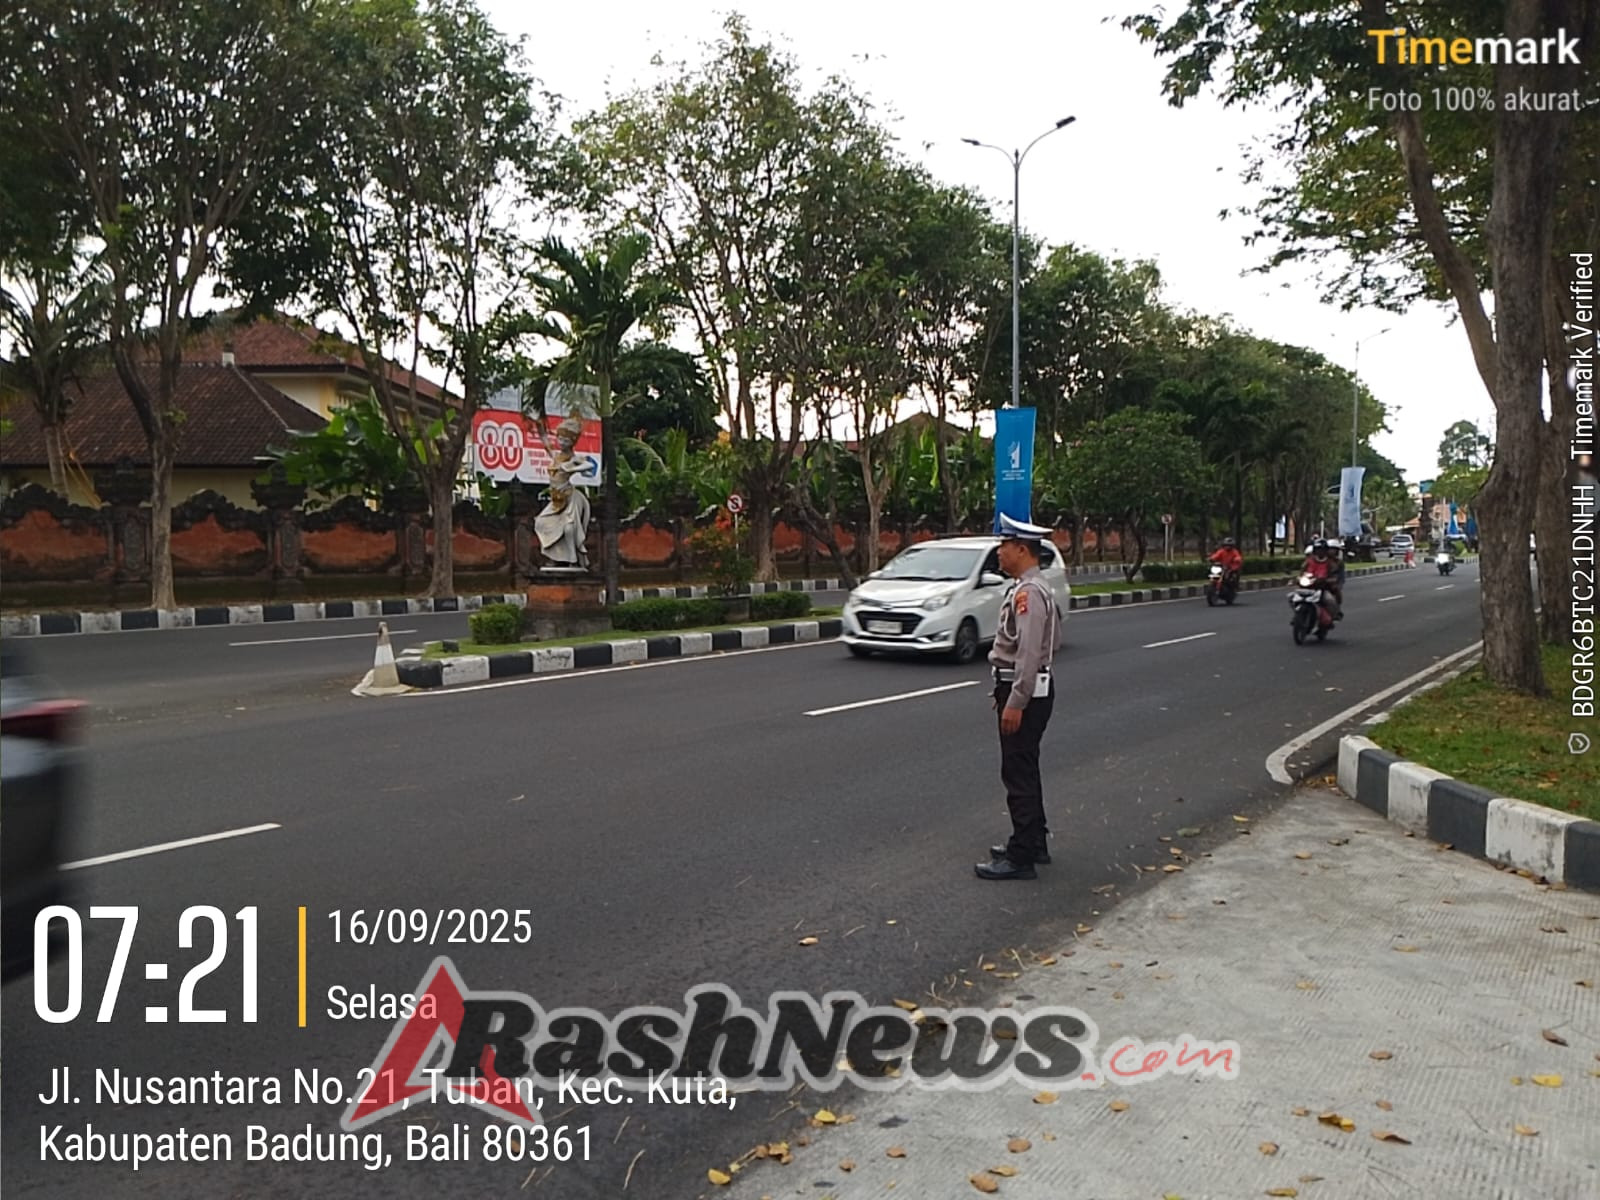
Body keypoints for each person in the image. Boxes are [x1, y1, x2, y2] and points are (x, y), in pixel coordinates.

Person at [976, 514, 1062, 881]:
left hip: (1025, 691)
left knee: (1017, 772)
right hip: (1023, 688)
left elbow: (1029, 653)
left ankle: (1021, 856)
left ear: (1022, 549)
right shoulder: (1033, 588)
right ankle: (1034, 841)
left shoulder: (1029, 593)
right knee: (1026, 766)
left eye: (1004, 545)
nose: (999, 551)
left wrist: (1016, 699)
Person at [1302, 538, 1343, 620]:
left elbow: (1335, 575)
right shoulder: (1309, 561)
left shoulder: (1331, 563)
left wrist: (1329, 580)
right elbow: (1302, 572)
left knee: (1330, 599)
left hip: (1323, 586)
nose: (1319, 552)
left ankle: (1335, 612)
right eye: (1317, 550)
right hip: (1310, 585)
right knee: (1292, 596)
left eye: (1322, 550)